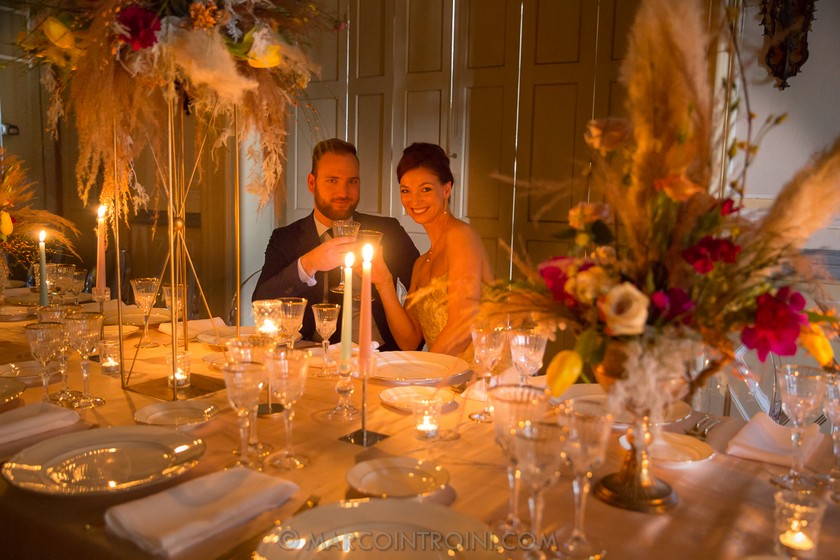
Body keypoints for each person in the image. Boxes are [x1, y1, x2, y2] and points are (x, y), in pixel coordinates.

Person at [252, 138, 420, 351]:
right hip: (312, 357)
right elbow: (261, 301)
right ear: (312, 183)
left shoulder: (388, 231)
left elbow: (423, 295)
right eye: (332, 181)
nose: (343, 193)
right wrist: (308, 264)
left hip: (382, 357)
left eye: (352, 181)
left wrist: (409, 354)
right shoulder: (286, 238)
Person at [371, 142, 493, 359]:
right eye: (406, 190)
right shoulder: (421, 264)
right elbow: (409, 341)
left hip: (483, 378)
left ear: (446, 189)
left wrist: (421, 375)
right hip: (444, 377)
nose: (414, 200)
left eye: (425, 189)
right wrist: (383, 281)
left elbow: (463, 327)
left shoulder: (461, 236)